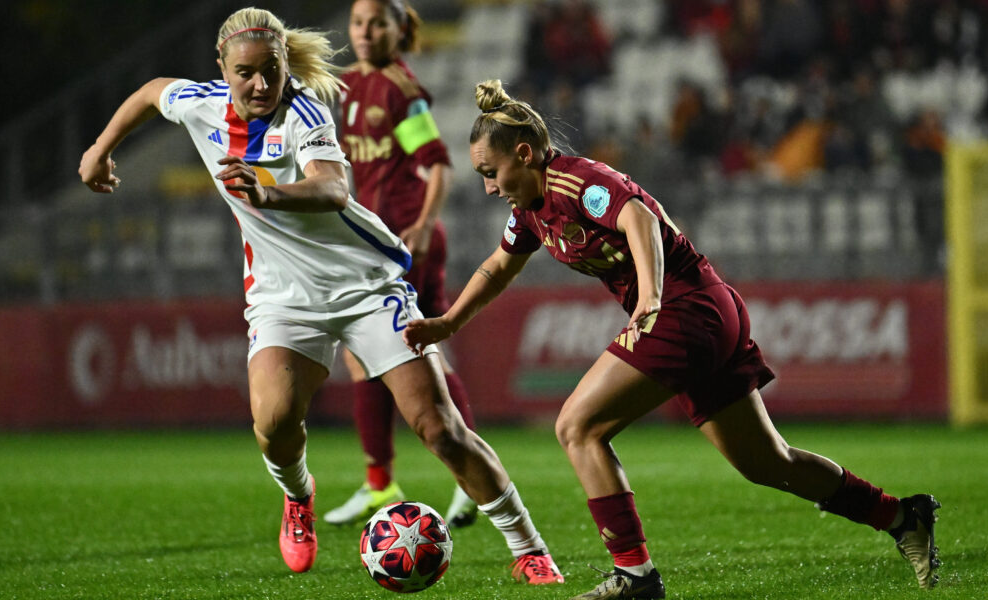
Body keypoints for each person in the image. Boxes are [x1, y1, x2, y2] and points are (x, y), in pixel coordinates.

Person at [403, 79, 941, 599]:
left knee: (577, 427)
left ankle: (635, 575)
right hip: (706, 311)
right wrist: (448, 322)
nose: (488, 187)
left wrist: (651, 297)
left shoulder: (575, 182)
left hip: (686, 309)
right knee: (766, 462)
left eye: (490, 172)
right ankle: (901, 516)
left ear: (524, 153)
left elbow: (638, 217)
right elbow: (498, 267)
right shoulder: (530, 210)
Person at [78, 10, 564, 585]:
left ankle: (529, 548)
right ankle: (298, 496)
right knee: (275, 420)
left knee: (440, 429)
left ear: (286, 65)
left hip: (364, 285)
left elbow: (334, 188)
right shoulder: (199, 102)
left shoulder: (306, 109)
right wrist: (100, 148)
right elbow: (150, 92)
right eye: (246, 73)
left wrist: (269, 191)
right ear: (222, 70)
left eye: (271, 71)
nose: (261, 85)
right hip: (283, 298)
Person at [322, 0, 477, 529]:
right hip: (372, 242)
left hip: (405, 241)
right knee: (375, 358)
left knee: (408, 354)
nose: (365, 32)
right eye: (358, 23)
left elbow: (437, 166)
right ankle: (386, 482)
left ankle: (455, 481)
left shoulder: (398, 89)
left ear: (397, 30)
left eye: (377, 23)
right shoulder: (348, 86)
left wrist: (423, 227)